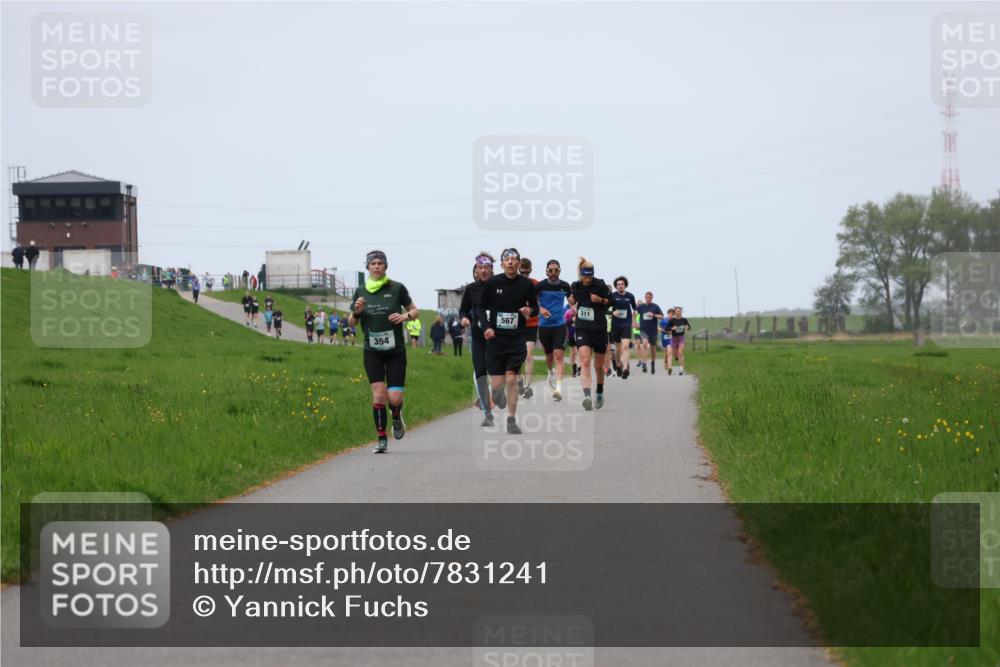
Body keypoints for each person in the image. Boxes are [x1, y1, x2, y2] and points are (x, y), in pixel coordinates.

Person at [349, 249, 419, 454]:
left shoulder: (397, 288)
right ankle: (381, 439)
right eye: (373, 263)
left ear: (385, 266)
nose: (377, 266)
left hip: (395, 351)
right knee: (379, 395)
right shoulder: (360, 291)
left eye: (380, 263)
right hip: (372, 351)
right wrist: (356, 311)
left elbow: (415, 310)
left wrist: (405, 316)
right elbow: (351, 322)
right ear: (368, 267)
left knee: (394, 398)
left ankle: (396, 416)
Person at [477, 248, 538, 434]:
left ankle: (511, 419)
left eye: (514, 259)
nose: (510, 262)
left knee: (511, 378)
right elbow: (480, 307)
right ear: (502, 264)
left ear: (519, 264)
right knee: (496, 386)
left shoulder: (526, 284)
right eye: (507, 259)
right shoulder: (493, 283)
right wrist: (486, 326)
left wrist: (530, 312)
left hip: (517, 338)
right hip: (496, 340)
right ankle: (497, 396)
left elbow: (535, 306)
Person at [569, 257, 611, 411]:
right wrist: (571, 301)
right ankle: (587, 395)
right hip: (583, 328)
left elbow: (611, 301)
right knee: (585, 362)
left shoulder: (600, 284)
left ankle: (599, 391)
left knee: (598, 366)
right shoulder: (576, 285)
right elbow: (572, 300)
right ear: (581, 275)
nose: (587, 279)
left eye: (590, 276)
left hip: (599, 329)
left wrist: (600, 299)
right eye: (585, 276)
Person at [460, 252, 495, 426]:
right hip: (478, 337)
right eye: (480, 268)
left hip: (498, 337)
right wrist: (464, 318)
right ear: (476, 270)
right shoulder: (471, 289)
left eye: (486, 267)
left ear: (491, 269)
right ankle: (487, 412)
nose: (483, 270)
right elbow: (463, 310)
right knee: (480, 371)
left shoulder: (498, 287)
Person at [536, 259, 572, 401]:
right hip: (544, 326)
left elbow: (572, 300)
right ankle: (550, 372)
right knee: (549, 356)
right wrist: (540, 309)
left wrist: (574, 307)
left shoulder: (565, 286)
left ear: (559, 271)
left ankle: (559, 388)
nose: (553, 273)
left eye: (556, 270)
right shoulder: (540, 286)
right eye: (550, 270)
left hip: (560, 325)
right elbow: (531, 302)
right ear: (546, 271)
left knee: (558, 356)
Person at [517, 258, 540, 399]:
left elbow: (540, 301)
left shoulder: (535, 283)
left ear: (530, 270)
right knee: (516, 357)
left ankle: (527, 386)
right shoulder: (513, 283)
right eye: (522, 271)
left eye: (527, 271)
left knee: (529, 356)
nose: (524, 274)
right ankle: (520, 382)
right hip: (516, 324)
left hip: (531, 324)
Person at [609, 276, 638, 379]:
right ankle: (618, 364)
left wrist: (634, 320)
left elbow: (635, 308)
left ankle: (625, 368)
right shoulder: (612, 296)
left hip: (626, 324)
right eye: (618, 284)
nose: (620, 286)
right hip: (616, 325)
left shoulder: (630, 296)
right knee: (618, 349)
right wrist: (613, 312)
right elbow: (606, 308)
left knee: (625, 346)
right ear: (616, 286)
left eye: (622, 284)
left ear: (625, 285)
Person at [636, 292, 664, 374]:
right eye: (647, 297)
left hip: (653, 331)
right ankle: (644, 364)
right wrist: (634, 322)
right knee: (644, 344)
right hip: (643, 329)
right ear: (645, 297)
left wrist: (654, 315)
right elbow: (634, 313)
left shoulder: (655, 306)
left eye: (650, 297)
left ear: (652, 298)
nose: (648, 299)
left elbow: (662, 316)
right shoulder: (641, 307)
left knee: (653, 349)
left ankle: (653, 363)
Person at [665, 306, 692, 375]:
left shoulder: (684, 320)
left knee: (680, 353)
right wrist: (672, 328)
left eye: (679, 311)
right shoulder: (672, 320)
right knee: (675, 355)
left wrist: (687, 327)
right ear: (675, 313)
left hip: (681, 338)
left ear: (681, 312)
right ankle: (676, 358)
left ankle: (681, 369)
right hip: (674, 338)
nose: (678, 312)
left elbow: (689, 327)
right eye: (676, 311)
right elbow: (666, 329)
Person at [660, 307, 676, 373]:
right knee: (666, 353)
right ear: (667, 314)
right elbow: (658, 327)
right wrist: (662, 330)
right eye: (670, 314)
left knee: (669, 351)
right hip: (664, 338)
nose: (671, 315)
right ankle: (665, 361)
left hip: (672, 338)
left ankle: (670, 367)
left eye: (672, 314)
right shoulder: (663, 321)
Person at [565, 307, 579, 377]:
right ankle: (573, 368)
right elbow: (566, 323)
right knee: (573, 352)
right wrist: (571, 319)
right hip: (571, 335)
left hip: (579, 334)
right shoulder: (568, 312)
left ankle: (579, 368)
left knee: (578, 351)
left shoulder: (580, 311)